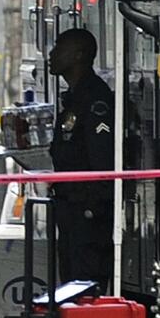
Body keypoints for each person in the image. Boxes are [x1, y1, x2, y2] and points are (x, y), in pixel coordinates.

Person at [48, 27, 115, 291]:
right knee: (69, 283)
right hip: (71, 209)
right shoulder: (74, 99)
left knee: (86, 286)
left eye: (59, 48)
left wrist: (92, 207)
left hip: (88, 213)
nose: (51, 54)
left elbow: (102, 159)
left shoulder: (95, 100)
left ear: (78, 55)